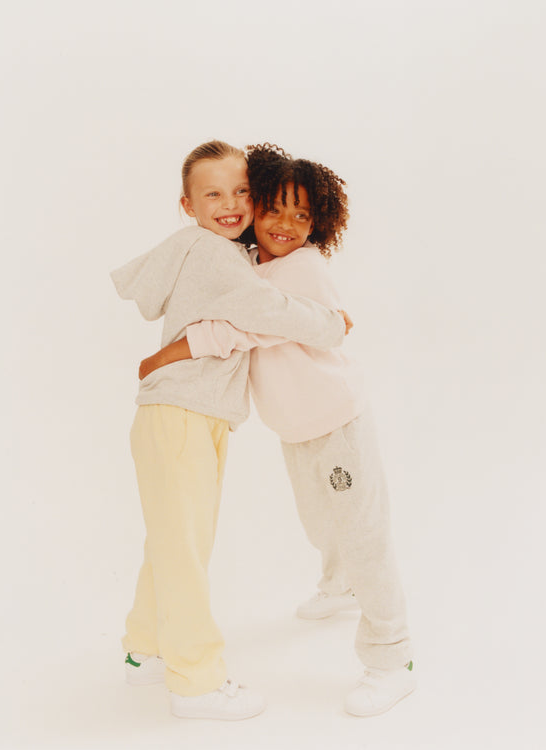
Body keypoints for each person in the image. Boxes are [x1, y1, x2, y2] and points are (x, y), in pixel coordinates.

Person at [138, 143, 415, 717]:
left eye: (302, 215)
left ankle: (392, 657)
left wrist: (171, 353)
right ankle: (339, 583)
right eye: (274, 209)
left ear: (318, 224)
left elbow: (250, 329)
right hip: (296, 427)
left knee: (363, 533)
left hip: (336, 422)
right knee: (321, 521)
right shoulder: (249, 266)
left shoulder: (303, 266)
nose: (286, 224)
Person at [111, 140, 349, 721]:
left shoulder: (221, 253)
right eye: (213, 194)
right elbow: (268, 310)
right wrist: (331, 323)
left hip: (191, 416)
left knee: (174, 541)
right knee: (185, 550)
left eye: (242, 191)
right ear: (188, 206)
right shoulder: (212, 253)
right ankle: (195, 683)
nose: (231, 205)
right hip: (182, 416)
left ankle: (146, 649)